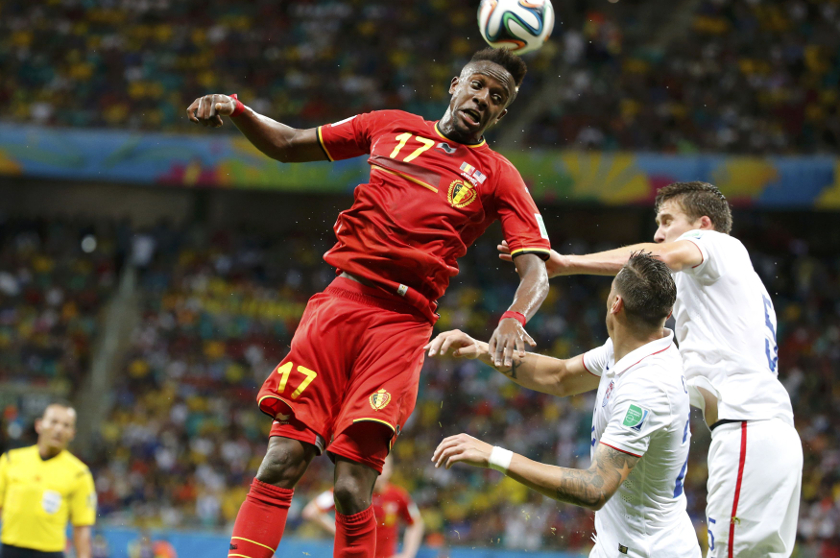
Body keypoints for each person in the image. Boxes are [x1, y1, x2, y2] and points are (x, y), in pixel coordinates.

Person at [187, 47, 551, 558]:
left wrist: (514, 317)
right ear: (455, 85)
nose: (483, 100)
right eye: (477, 86)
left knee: (352, 486)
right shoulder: (389, 125)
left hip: (402, 326)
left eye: (497, 98)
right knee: (281, 459)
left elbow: (537, 267)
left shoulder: (497, 175)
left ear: (502, 113)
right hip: (340, 303)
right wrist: (236, 108)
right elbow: (290, 144)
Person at [499, 181, 802, 557]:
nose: (658, 233)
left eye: (667, 220)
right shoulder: (722, 291)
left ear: (703, 225)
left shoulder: (721, 245)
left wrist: (567, 264)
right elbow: (561, 376)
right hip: (767, 433)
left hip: (747, 430)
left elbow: (653, 259)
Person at [427, 252, 701, 558]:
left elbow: (595, 487)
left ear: (616, 304)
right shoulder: (630, 348)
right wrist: (480, 349)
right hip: (624, 545)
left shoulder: (647, 386)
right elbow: (559, 377)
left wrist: (494, 455)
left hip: (647, 552)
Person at [0, 403, 96, 558]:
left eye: (66, 425)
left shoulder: (79, 474)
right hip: (10, 550)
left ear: (72, 433)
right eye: (53, 422)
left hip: (50, 553)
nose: (59, 429)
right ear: (39, 425)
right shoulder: (11, 460)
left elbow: (81, 528)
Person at [302, 456, 424, 558]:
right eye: (375, 466)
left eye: (384, 467)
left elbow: (416, 523)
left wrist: (408, 554)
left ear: (391, 470)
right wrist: (340, 532)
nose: (379, 472)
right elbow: (311, 511)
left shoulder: (399, 496)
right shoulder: (349, 490)